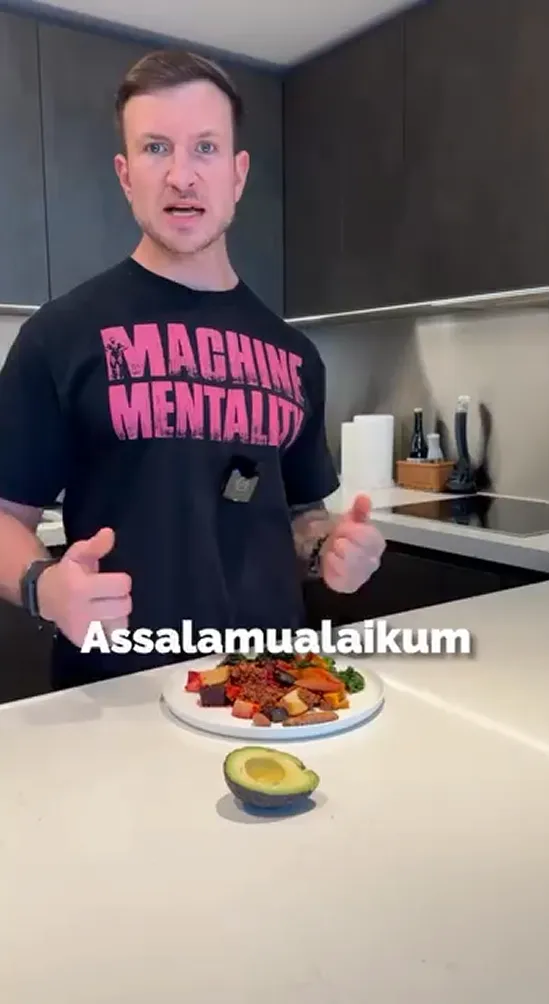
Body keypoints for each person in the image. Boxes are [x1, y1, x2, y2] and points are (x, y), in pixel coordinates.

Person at [0, 48, 385, 690]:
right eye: (156, 149)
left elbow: (298, 512)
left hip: (269, 690)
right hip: (118, 692)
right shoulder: (60, 336)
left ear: (238, 174)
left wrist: (328, 548)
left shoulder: (294, 355)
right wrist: (45, 586)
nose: (182, 175)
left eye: (205, 148)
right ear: (126, 175)